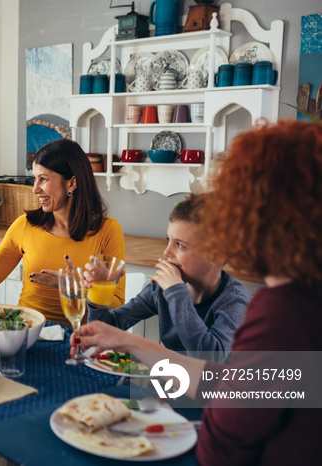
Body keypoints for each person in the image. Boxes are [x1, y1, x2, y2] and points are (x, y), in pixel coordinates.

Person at [73, 120, 322, 465]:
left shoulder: (282, 312)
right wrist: (125, 339)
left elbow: (228, 430)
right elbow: (250, 385)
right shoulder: (308, 301)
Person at [0, 138, 126, 327]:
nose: (34, 189)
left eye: (43, 179)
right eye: (34, 179)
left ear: (71, 183)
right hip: (30, 332)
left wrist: (69, 286)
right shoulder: (25, 226)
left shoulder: (107, 230)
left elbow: (117, 304)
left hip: (82, 340)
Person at [85, 193, 249, 361]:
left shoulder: (234, 301)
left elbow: (210, 359)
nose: (166, 252)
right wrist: (100, 290)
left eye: (179, 245)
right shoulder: (162, 289)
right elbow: (107, 328)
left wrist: (176, 293)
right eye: (167, 240)